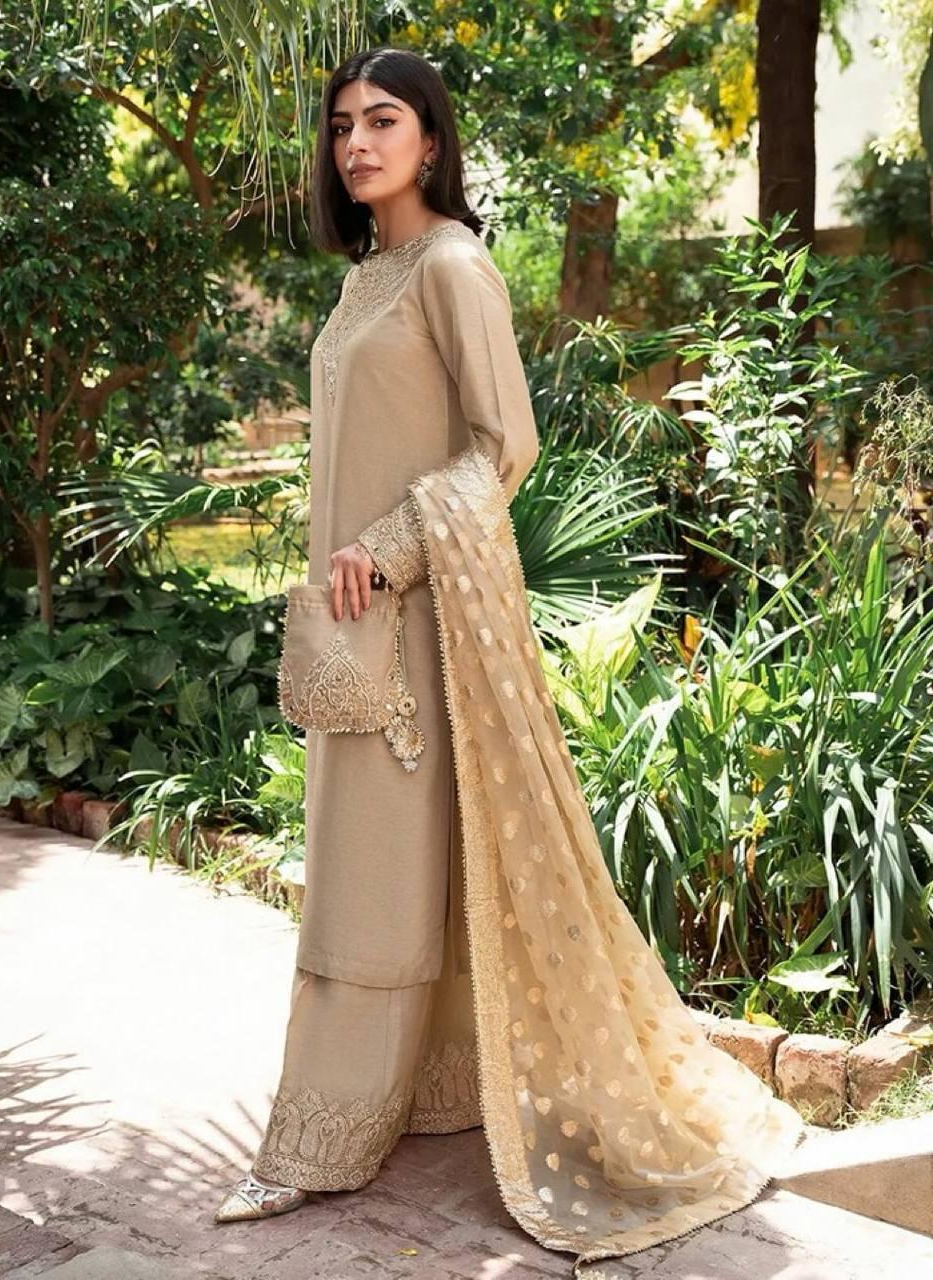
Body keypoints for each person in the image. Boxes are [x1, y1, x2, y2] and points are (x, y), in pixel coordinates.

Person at [215, 46, 806, 1277]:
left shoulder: (451, 264)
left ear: (431, 140)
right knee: (393, 860)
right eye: (341, 125)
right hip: (359, 620)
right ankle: (425, 1088)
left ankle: (317, 1137)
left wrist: (384, 550)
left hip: (421, 615)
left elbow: (504, 445)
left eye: (384, 121)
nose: (357, 143)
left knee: (372, 873)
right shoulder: (364, 277)